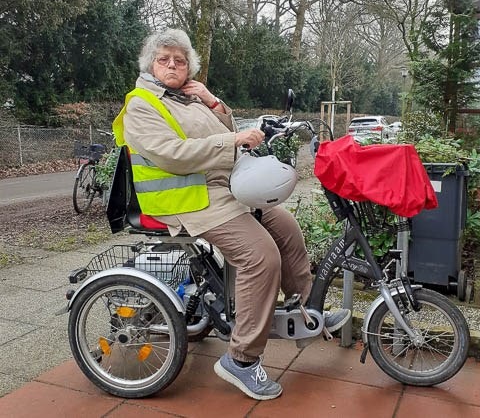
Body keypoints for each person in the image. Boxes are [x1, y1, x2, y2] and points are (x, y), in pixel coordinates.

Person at [113, 28, 350, 400]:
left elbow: (224, 130)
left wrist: (212, 101)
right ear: (151, 65)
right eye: (165, 59)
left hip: (224, 189)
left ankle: (306, 310)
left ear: (189, 65)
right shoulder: (141, 104)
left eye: (180, 60)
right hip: (187, 198)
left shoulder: (189, 97)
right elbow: (171, 153)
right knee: (260, 255)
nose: (173, 65)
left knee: (286, 228)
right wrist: (233, 140)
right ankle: (241, 359)